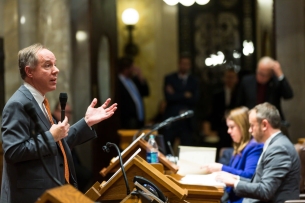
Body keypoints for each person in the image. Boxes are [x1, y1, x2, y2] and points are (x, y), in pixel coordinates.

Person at [1, 43, 117, 203]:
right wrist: (50, 136)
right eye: (47, 65)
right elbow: (13, 151)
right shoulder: (18, 104)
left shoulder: (41, 102)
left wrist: (87, 122)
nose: (56, 70)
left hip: (53, 193)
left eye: (55, 64)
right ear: (29, 71)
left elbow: (58, 144)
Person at [215, 102, 300, 203]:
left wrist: (235, 183)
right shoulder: (274, 144)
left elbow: (265, 191)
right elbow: (260, 183)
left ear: (264, 125)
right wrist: (236, 177)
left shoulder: (279, 148)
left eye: (252, 125)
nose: (250, 130)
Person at [202, 107, 263, 203]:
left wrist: (221, 168)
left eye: (232, 127)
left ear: (242, 126)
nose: (228, 131)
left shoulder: (255, 147)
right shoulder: (239, 146)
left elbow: (249, 176)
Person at [160, 53, 199, 153]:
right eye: (183, 63)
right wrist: (185, 94)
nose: (184, 66)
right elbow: (169, 97)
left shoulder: (194, 80)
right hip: (172, 119)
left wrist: (176, 93)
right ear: (179, 64)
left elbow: (195, 99)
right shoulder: (170, 78)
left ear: (190, 66)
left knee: (187, 149)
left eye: (187, 64)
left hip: (187, 121)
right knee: (167, 149)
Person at [52, 102, 93, 193]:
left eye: (69, 112)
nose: (67, 115)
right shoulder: (52, 123)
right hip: (57, 163)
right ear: (55, 111)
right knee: (84, 175)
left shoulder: (64, 124)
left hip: (71, 161)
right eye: (64, 111)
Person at [236, 56, 293, 121]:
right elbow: (238, 103)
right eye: (258, 72)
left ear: (271, 74)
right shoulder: (246, 81)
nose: (259, 76)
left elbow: (289, 95)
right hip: (251, 119)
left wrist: (280, 75)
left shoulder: (275, 82)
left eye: (263, 75)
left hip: (271, 121)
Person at [208, 68, 240, 154]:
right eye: (228, 77)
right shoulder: (217, 94)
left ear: (236, 79)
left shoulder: (240, 93)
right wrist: (212, 129)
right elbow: (213, 112)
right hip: (221, 128)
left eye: (232, 77)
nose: (230, 80)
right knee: (221, 151)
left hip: (237, 126)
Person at [116, 57, 149, 129]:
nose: (134, 69)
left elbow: (146, 93)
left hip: (139, 117)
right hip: (128, 119)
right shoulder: (117, 82)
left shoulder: (133, 80)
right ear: (126, 68)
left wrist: (141, 77)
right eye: (132, 67)